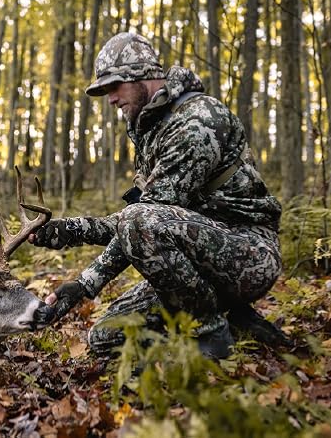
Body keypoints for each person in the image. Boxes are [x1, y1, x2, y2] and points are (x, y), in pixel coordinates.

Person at [31, 32, 287, 358]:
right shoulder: (150, 130)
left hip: (249, 256)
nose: (110, 99)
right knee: (106, 337)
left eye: (115, 86)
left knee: (141, 220)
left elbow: (142, 220)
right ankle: (238, 324)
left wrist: (82, 271)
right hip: (200, 261)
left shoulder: (197, 121)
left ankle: (209, 335)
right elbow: (143, 217)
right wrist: (76, 247)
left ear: (143, 75)